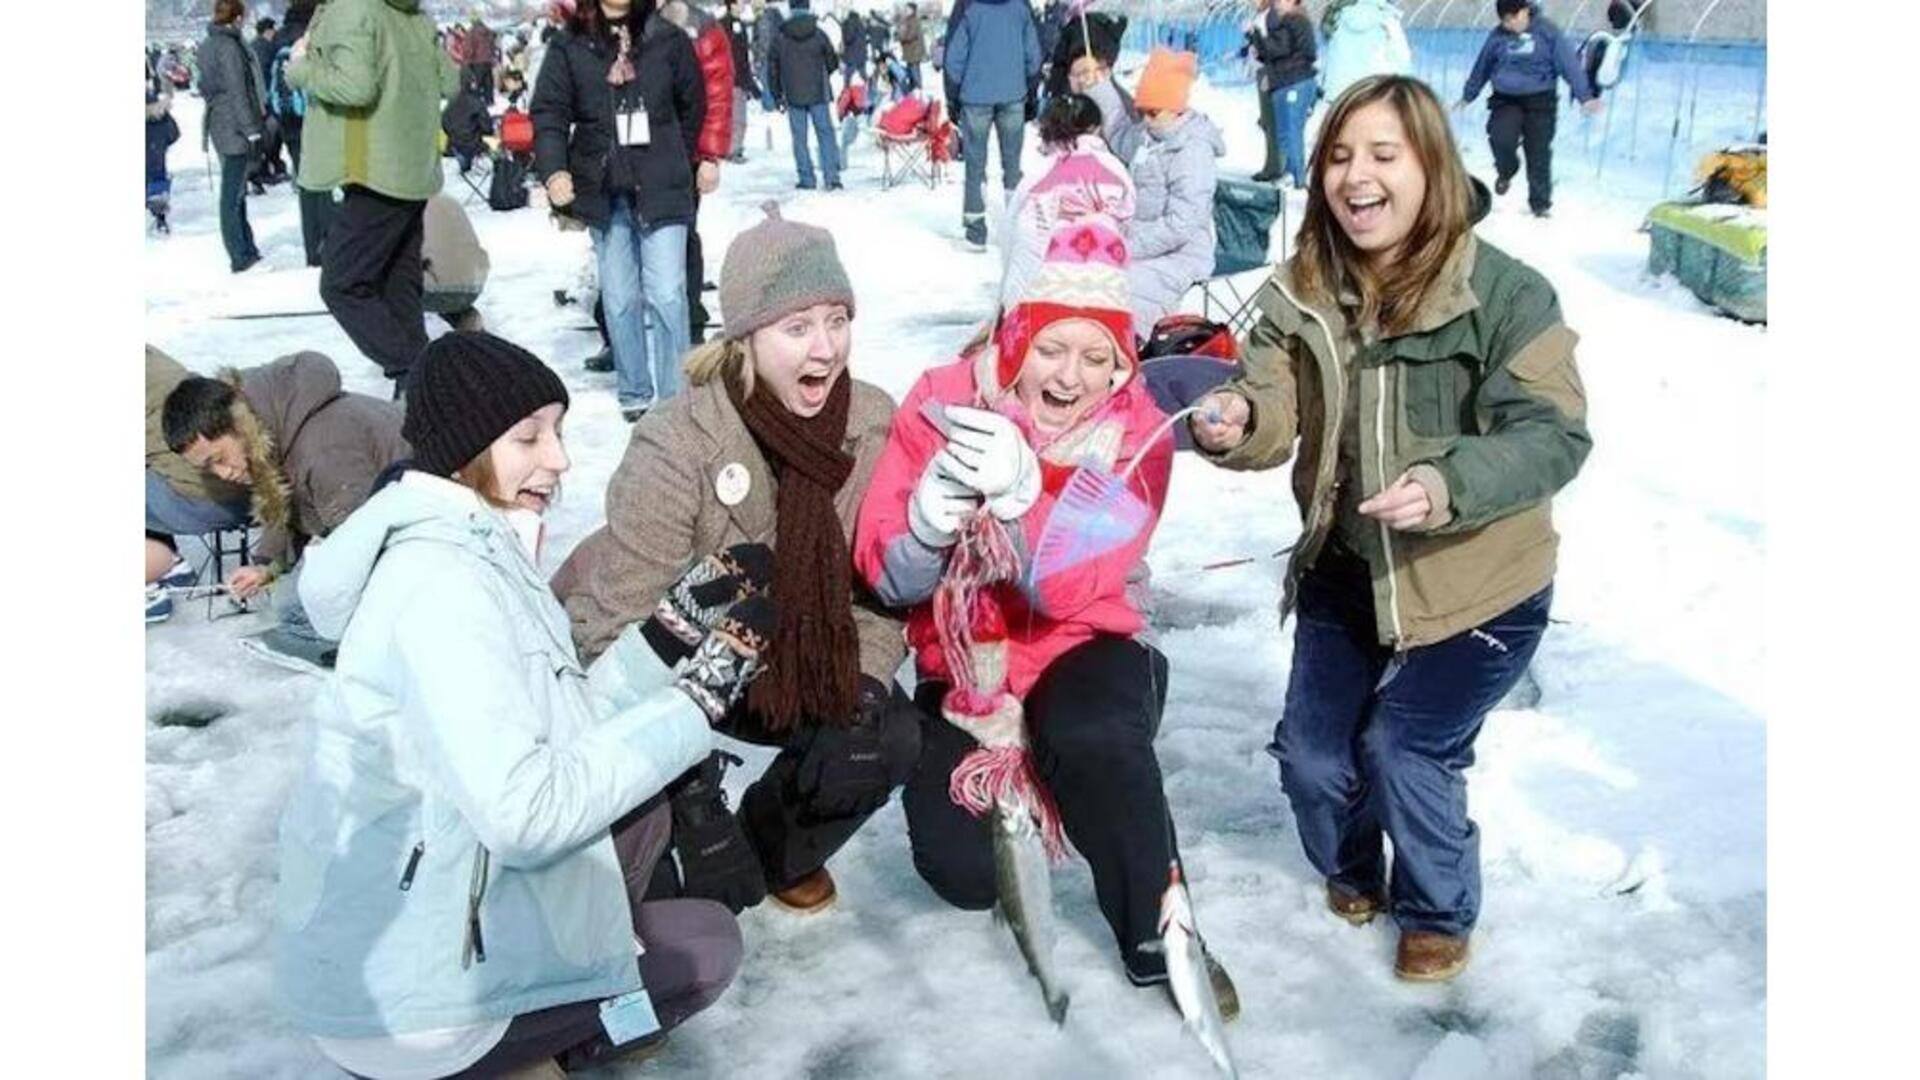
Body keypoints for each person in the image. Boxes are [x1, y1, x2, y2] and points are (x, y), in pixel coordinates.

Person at [1187, 75, 1592, 982]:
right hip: (1346, 564)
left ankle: (1439, 907)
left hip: (1478, 577)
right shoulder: (1300, 290)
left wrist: (1448, 482)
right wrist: (1239, 423)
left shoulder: (1508, 293)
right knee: (1314, 758)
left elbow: (1552, 433)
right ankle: (1350, 866)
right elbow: (1270, 399)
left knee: (1404, 745)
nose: (1355, 177)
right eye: (1338, 155)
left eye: (1383, 155)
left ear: (1431, 166)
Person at [275, 332, 749, 1078]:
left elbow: (561, 720)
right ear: (463, 449)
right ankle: (520, 1054)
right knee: (702, 949)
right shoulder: (441, 586)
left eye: (556, 431)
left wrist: (668, 637)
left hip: (431, 923)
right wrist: (701, 704)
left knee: (639, 818)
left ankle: (534, 1032)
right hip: (411, 1003)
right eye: (529, 436)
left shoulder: (477, 545)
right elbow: (528, 815)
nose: (558, 459)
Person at [853, 218, 1240, 1010]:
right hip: (966, 669)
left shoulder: (1135, 435)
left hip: (1081, 644)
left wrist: (1021, 498)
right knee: (963, 875)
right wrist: (927, 523)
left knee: (1091, 734)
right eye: (1052, 349)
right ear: (1013, 336)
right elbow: (890, 581)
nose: (1072, 377)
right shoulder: (941, 403)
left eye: (1098, 358)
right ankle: (1051, 771)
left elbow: (1060, 590)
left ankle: (1160, 935)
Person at [551, 206, 917, 917]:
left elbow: (876, 594)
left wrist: (867, 685)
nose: (825, 349)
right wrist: (687, 789)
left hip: (804, 650)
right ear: (745, 336)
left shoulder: (871, 421)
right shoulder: (678, 440)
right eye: (797, 327)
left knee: (887, 738)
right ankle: (687, 826)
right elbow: (618, 629)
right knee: (670, 874)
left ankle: (773, 848)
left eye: (837, 321)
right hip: (688, 665)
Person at [162, 350, 410, 671]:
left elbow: (364, 545)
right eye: (210, 469)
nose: (224, 474)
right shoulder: (270, 426)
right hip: (380, 522)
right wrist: (267, 567)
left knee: (301, 610)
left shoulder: (324, 450)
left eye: (219, 458)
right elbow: (285, 501)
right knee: (293, 605)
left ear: (237, 425)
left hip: (424, 530)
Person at [532, 0, 707, 422]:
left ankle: (673, 399)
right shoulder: (569, 44)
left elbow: (692, 104)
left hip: (662, 184)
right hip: (603, 188)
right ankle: (634, 390)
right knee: (620, 295)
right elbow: (549, 111)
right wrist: (555, 169)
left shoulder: (667, 39)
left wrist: (678, 158)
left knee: (668, 293)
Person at [288, 0, 461, 394]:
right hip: (412, 168)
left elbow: (354, 87)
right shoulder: (413, 14)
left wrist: (301, 70)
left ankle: (425, 375)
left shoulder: (352, 9)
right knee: (398, 285)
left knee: (341, 284)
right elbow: (449, 82)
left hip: (371, 169)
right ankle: (421, 392)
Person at [1079, 48, 1224, 342]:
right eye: (1141, 110)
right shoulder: (1151, 135)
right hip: (1141, 241)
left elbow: (1181, 224)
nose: (1145, 119)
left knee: (1127, 286)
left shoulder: (1193, 151)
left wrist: (1128, 246)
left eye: (1153, 112)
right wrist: (1101, 88)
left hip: (1181, 252)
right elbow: (1120, 132)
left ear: (1176, 107)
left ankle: (1129, 350)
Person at [1460, 0, 1601, 219]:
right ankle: (1507, 169)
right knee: (1500, 138)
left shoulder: (1547, 32)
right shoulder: (1498, 36)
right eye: (1505, 21)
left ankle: (1540, 204)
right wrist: (1468, 95)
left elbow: (1569, 65)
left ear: (1525, 11)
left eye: (1513, 18)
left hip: (1540, 100)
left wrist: (1585, 96)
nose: (1510, 25)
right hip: (1506, 100)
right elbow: (1483, 66)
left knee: (1538, 151)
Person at [999, 92, 1135, 310]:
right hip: (1104, 287)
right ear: (1096, 128)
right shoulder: (1115, 170)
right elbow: (1127, 221)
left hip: (1038, 292)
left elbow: (1013, 235)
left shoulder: (1040, 174)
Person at [145, 347, 252, 624]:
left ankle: (148, 581)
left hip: (206, 502)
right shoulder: (151, 358)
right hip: (248, 486)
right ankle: (169, 564)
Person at [657, 0, 736, 349]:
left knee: (683, 234)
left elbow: (718, 93)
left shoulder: (700, 26)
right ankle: (618, 334)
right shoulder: (621, 19)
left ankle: (690, 317)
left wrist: (710, 155)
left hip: (683, 150)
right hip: (633, 151)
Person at [944, 0, 1042, 249]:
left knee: (975, 166)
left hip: (974, 98)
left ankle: (976, 232)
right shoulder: (1021, 5)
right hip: (1013, 94)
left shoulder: (966, 6)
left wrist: (953, 98)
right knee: (1013, 166)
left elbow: (953, 58)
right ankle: (1016, 228)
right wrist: (1031, 92)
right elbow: (1034, 54)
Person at [197, 0, 267, 274]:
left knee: (235, 189)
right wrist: (251, 128)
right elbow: (239, 90)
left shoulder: (207, 45)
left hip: (219, 123)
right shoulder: (229, 47)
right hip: (234, 126)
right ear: (237, 18)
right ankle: (239, 253)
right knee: (232, 194)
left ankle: (245, 246)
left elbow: (204, 85)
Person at [268, 0, 330, 268]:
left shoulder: (279, 38)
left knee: (305, 181)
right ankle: (328, 242)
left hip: (289, 122)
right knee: (326, 182)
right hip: (316, 118)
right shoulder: (314, 36)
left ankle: (311, 248)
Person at [768, 0, 842, 191]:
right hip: (818, 92)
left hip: (793, 95)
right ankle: (832, 178)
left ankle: (807, 179)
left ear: (791, 9)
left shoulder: (780, 37)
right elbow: (832, 61)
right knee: (825, 134)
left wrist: (777, 95)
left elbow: (772, 69)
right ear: (808, 8)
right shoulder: (819, 34)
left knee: (799, 138)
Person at [1248, 0, 1317, 189]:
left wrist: (1255, 33)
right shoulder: (1291, 20)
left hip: (1293, 81)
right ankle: (1292, 173)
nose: (1278, 3)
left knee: (1290, 132)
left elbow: (1276, 49)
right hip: (1285, 80)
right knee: (1287, 131)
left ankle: (1295, 176)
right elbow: (1271, 52)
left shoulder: (1293, 20)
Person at [1318, 0, 1411, 105]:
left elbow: (1327, 61)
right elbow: (1403, 62)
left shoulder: (1337, 15)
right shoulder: (1386, 19)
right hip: (1370, 97)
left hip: (1337, 98)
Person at [422, 193, 490, 333]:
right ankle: (469, 322)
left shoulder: (392, 207)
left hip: (431, 290)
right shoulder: (448, 200)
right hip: (473, 285)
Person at [721, 0, 761, 161]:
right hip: (735, 77)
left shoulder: (727, 24)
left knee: (731, 115)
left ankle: (730, 146)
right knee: (738, 117)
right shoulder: (731, 25)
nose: (744, 5)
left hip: (729, 77)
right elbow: (738, 55)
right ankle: (733, 149)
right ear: (732, 5)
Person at [145, 74, 180, 235]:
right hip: (155, 155)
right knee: (157, 181)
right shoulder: (159, 111)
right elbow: (174, 134)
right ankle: (160, 219)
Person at [462, 8, 499, 104]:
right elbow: (493, 46)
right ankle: (490, 102)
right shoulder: (488, 31)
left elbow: (469, 48)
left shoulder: (472, 32)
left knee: (476, 85)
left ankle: (476, 104)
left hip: (476, 62)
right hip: (488, 61)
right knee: (488, 84)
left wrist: (466, 62)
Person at [895, 2, 925, 94]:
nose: (905, 11)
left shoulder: (914, 20)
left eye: (907, 9)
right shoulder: (908, 20)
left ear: (912, 10)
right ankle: (913, 90)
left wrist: (901, 38)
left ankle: (918, 90)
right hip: (910, 51)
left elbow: (911, 35)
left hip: (914, 51)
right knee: (911, 72)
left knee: (914, 71)